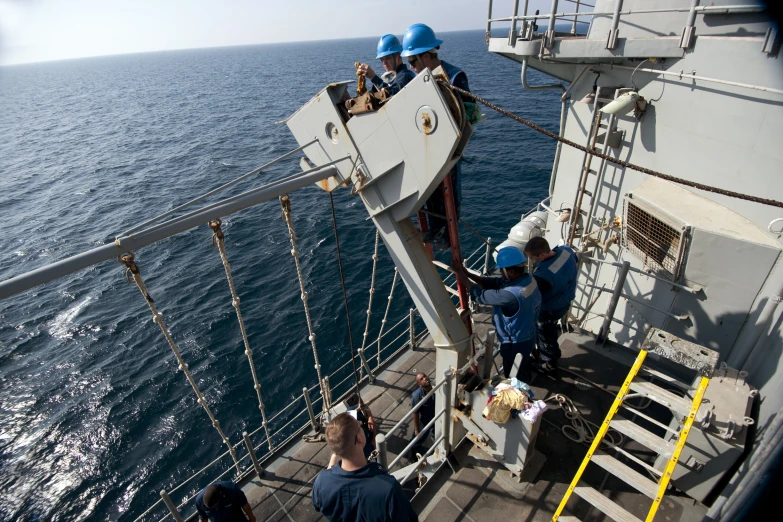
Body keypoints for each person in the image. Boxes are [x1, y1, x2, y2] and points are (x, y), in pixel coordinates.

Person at [401, 23, 472, 251]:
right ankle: (434, 229)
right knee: (430, 192)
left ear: (425, 55)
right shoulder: (420, 79)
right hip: (429, 144)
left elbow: (469, 112)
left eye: (413, 61)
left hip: (449, 147)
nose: (411, 67)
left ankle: (448, 237)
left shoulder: (455, 76)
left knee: (449, 191)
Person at [453, 246, 541, 383]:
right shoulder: (528, 279)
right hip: (529, 332)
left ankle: (520, 398)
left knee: (514, 375)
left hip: (514, 342)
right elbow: (494, 282)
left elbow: (479, 295)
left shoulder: (509, 295)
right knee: (523, 362)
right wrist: (467, 273)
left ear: (511, 271)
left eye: (502, 269)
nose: (500, 271)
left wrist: (460, 274)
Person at [312, 412, 418, 522]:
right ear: (359, 438)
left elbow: (317, 505)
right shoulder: (389, 490)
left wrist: (332, 463)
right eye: (360, 426)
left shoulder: (321, 482)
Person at [524, 237, 578, 373]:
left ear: (542, 255)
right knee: (547, 331)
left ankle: (550, 364)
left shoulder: (543, 275)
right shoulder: (565, 251)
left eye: (533, 257)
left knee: (546, 336)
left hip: (549, 310)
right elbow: (574, 260)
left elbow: (530, 295)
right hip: (565, 300)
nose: (533, 260)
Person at [410, 372, 435, 456]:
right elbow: (415, 412)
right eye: (421, 379)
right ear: (419, 384)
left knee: (435, 433)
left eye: (425, 376)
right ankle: (412, 455)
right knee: (417, 439)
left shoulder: (437, 387)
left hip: (436, 415)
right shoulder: (417, 396)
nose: (425, 378)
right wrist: (417, 430)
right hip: (426, 419)